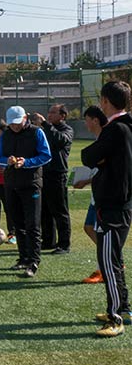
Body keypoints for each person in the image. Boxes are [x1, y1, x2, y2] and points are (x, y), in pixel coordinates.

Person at [81, 81, 132, 337]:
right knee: (115, 260)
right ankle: (123, 308)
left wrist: (99, 157)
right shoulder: (127, 127)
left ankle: (115, 319)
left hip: (111, 206)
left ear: (105, 102)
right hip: (121, 204)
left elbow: (88, 156)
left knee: (108, 263)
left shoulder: (115, 130)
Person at [0, 106, 51, 278]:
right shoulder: (6, 134)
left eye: (18, 123)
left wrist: (26, 162)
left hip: (31, 184)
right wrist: (8, 160)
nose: (16, 127)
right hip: (11, 184)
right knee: (18, 224)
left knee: (33, 224)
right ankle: (23, 258)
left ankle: (34, 261)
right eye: (12, 124)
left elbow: (46, 155)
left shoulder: (37, 133)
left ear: (26, 118)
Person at [33, 104, 74, 254]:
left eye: (53, 112)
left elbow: (59, 140)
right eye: (48, 112)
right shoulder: (46, 130)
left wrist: (45, 123)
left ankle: (64, 244)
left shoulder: (67, 130)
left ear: (62, 116)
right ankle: (48, 241)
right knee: (45, 210)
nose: (49, 115)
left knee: (60, 210)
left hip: (58, 174)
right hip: (44, 173)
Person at [76, 106, 109, 284]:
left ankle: (103, 269)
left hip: (105, 196)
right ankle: (110, 260)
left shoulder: (108, 138)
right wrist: (86, 181)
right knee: (89, 227)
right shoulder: (100, 138)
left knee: (100, 231)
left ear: (95, 120)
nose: (85, 123)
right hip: (96, 194)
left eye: (87, 119)